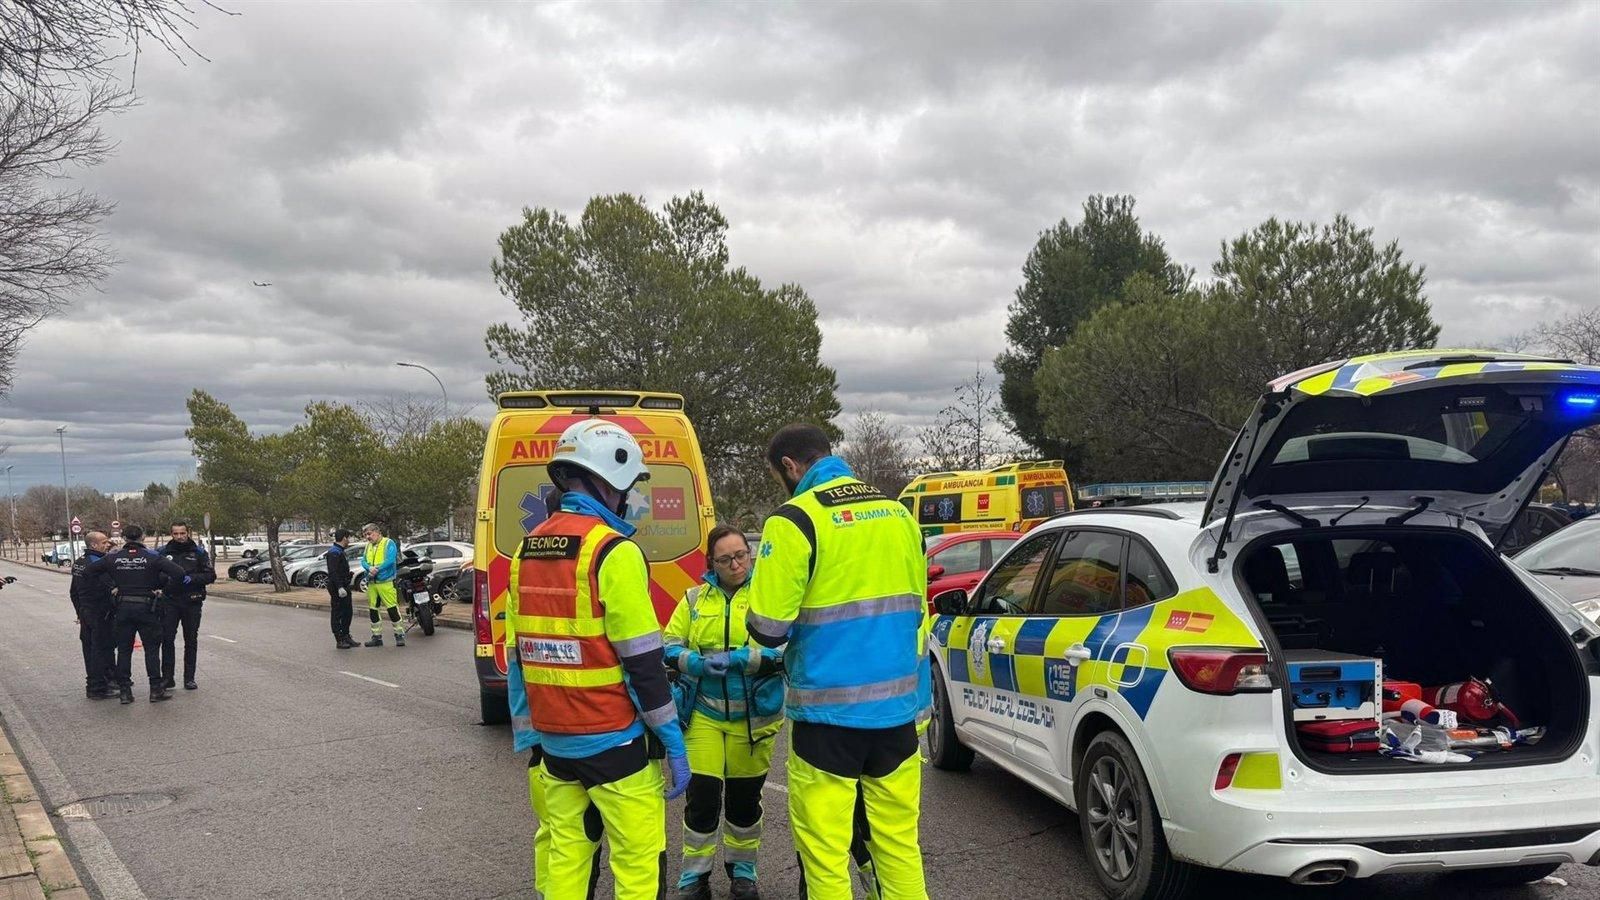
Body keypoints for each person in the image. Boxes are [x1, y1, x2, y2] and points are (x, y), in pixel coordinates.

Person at [745, 423, 931, 900]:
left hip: (827, 719)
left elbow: (767, 629)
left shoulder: (794, 520)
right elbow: (916, 613)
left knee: (826, 859)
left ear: (790, 466)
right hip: (896, 714)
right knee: (898, 848)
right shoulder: (899, 515)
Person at [507, 418, 689, 899]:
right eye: (630, 487)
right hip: (614, 742)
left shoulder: (524, 551)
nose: (631, 498)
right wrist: (672, 739)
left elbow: (519, 657)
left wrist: (532, 732)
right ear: (611, 478)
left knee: (568, 855)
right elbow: (643, 662)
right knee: (638, 861)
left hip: (556, 746)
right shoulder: (613, 551)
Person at [664, 524, 784, 900]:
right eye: (726, 559)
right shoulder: (694, 599)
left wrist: (747, 658)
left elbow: (787, 649)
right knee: (702, 796)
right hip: (705, 714)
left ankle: (743, 872)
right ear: (711, 564)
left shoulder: (770, 598)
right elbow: (667, 643)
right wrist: (694, 664)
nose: (736, 564)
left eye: (741, 555)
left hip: (754, 719)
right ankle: (694, 877)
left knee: (745, 800)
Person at [505, 486, 606, 900]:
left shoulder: (521, 563)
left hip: (542, 730)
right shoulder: (597, 556)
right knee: (588, 836)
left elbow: (516, 658)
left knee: (557, 833)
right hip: (592, 727)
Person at [84, 525, 192, 704]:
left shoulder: (114, 558)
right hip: (147, 607)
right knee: (151, 650)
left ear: (124, 538)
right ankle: (155, 690)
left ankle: (125, 692)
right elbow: (179, 573)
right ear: (142, 537)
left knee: (124, 651)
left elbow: (89, 572)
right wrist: (162, 589)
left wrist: (112, 587)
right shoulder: (152, 557)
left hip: (123, 607)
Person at [158, 521, 216, 691]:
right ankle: (168, 678)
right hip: (170, 600)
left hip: (192, 601)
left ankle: (189, 678)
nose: (179, 537)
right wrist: (165, 581)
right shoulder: (163, 552)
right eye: (175, 534)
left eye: (182, 533)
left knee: (191, 640)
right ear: (171, 534)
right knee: (167, 639)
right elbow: (155, 574)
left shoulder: (198, 552)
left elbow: (210, 575)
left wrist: (193, 579)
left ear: (188, 533)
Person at [69, 531, 118, 699]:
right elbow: (110, 587)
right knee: (100, 649)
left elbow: (73, 592)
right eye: (104, 542)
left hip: (86, 612)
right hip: (99, 613)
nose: (108, 544)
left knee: (90, 649)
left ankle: (105, 681)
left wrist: (80, 612)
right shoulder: (98, 564)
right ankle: (98, 688)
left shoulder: (79, 563)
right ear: (94, 545)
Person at [360, 523, 404, 648]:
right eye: (365, 535)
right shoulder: (368, 546)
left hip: (386, 582)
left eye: (369, 534)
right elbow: (363, 560)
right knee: (373, 610)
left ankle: (399, 635)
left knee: (392, 608)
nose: (367, 537)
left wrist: (376, 569)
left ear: (377, 532)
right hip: (372, 583)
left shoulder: (388, 543)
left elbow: (391, 560)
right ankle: (376, 637)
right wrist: (369, 568)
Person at [325, 530, 359, 649]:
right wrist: (339, 587)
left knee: (347, 612)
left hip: (344, 585)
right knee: (337, 612)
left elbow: (340, 569)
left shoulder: (340, 551)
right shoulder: (334, 552)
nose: (349, 541)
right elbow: (333, 572)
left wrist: (348, 575)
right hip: (337, 587)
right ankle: (339, 639)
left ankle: (346, 635)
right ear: (344, 538)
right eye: (348, 538)